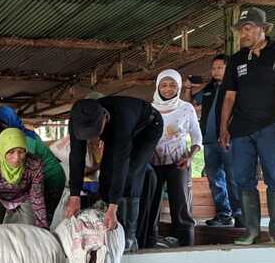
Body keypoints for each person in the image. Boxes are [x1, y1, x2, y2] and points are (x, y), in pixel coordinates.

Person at [220, 7, 275, 245]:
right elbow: (228, 97)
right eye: (240, 30)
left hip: (271, 126)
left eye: (247, 28)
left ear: (262, 29)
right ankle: (251, 230)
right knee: (243, 179)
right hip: (241, 130)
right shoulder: (236, 59)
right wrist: (223, 128)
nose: (243, 34)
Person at [65, 96, 164, 252]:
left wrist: (113, 206)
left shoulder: (122, 120)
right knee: (105, 172)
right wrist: (74, 194)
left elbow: (120, 165)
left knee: (130, 174)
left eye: (95, 134)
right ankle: (106, 222)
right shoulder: (76, 119)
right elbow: (76, 156)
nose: (93, 139)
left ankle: (129, 237)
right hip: (115, 128)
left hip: (148, 126)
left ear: (104, 118)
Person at [147, 69, 202, 247]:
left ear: (178, 87)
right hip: (153, 164)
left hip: (179, 163)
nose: (168, 89)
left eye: (172, 85)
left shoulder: (186, 109)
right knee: (151, 202)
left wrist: (190, 157)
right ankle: (149, 239)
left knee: (181, 203)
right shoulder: (149, 109)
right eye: (164, 85)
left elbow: (197, 138)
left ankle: (186, 241)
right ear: (157, 87)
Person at [0, 106, 66, 224]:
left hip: (51, 178)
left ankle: (43, 236)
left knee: (41, 215)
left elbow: (23, 168)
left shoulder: (26, 139)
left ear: (8, 122)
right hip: (36, 176)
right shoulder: (6, 138)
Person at [194, 54, 243, 228]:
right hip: (209, 140)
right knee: (215, 179)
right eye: (213, 68)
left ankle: (239, 214)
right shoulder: (208, 89)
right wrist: (187, 88)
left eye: (219, 67)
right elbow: (191, 104)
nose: (215, 71)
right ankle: (223, 214)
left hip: (229, 139)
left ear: (228, 68)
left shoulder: (236, 87)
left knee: (232, 177)